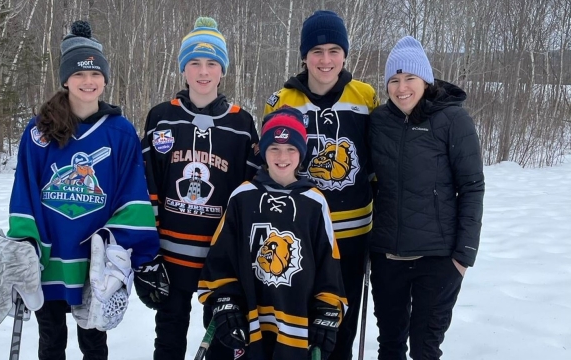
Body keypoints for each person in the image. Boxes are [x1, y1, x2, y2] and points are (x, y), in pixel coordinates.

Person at [1, 20, 160, 360]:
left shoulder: (120, 132)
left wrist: (132, 251)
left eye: (95, 74)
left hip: (93, 261)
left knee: (93, 343)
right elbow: (26, 189)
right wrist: (24, 243)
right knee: (51, 338)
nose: (88, 82)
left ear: (104, 79)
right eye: (79, 74)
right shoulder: (39, 130)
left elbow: (131, 195)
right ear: (65, 79)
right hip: (49, 257)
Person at [135, 16, 261, 360]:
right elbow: (148, 187)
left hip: (218, 260)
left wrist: (241, 254)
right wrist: (148, 254)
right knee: (169, 336)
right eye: (194, 62)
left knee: (222, 342)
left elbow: (249, 195)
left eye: (211, 63)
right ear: (183, 68)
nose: (203, 72)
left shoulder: (241, 123)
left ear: (223, 70)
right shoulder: (162, 117)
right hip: (172, 255)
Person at [263, 10, 378, 359]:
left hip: (353, 235)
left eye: (333, 50)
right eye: (316, 51)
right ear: (304, 56)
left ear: (344, 54)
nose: (325, 60)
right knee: (301, 326)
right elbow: (269, 167)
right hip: (301, 234)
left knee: (340, 329)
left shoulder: (365, 97)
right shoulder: (283, 100)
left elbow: (379, 163)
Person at [368, 36, 485, 360]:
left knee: (424, 348)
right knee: (389, 346)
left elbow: (472, 185)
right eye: (394, 80)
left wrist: (463, 256)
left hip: (438, 258)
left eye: (410, 79)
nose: (401, 88)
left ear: (426, 80)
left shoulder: (452, 120)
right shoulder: (378, 122)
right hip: (386, 256)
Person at [198, 107, 347, 360]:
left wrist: (327, 307)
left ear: (301, 153)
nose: (282, 156)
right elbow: (221, 259)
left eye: (291, 148)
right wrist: (224, 299)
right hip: (249, 320)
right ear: (263, 152)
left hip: (295, 321)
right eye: (274, 148)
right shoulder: (243, 196)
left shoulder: (314, 201)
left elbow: (328, 263)